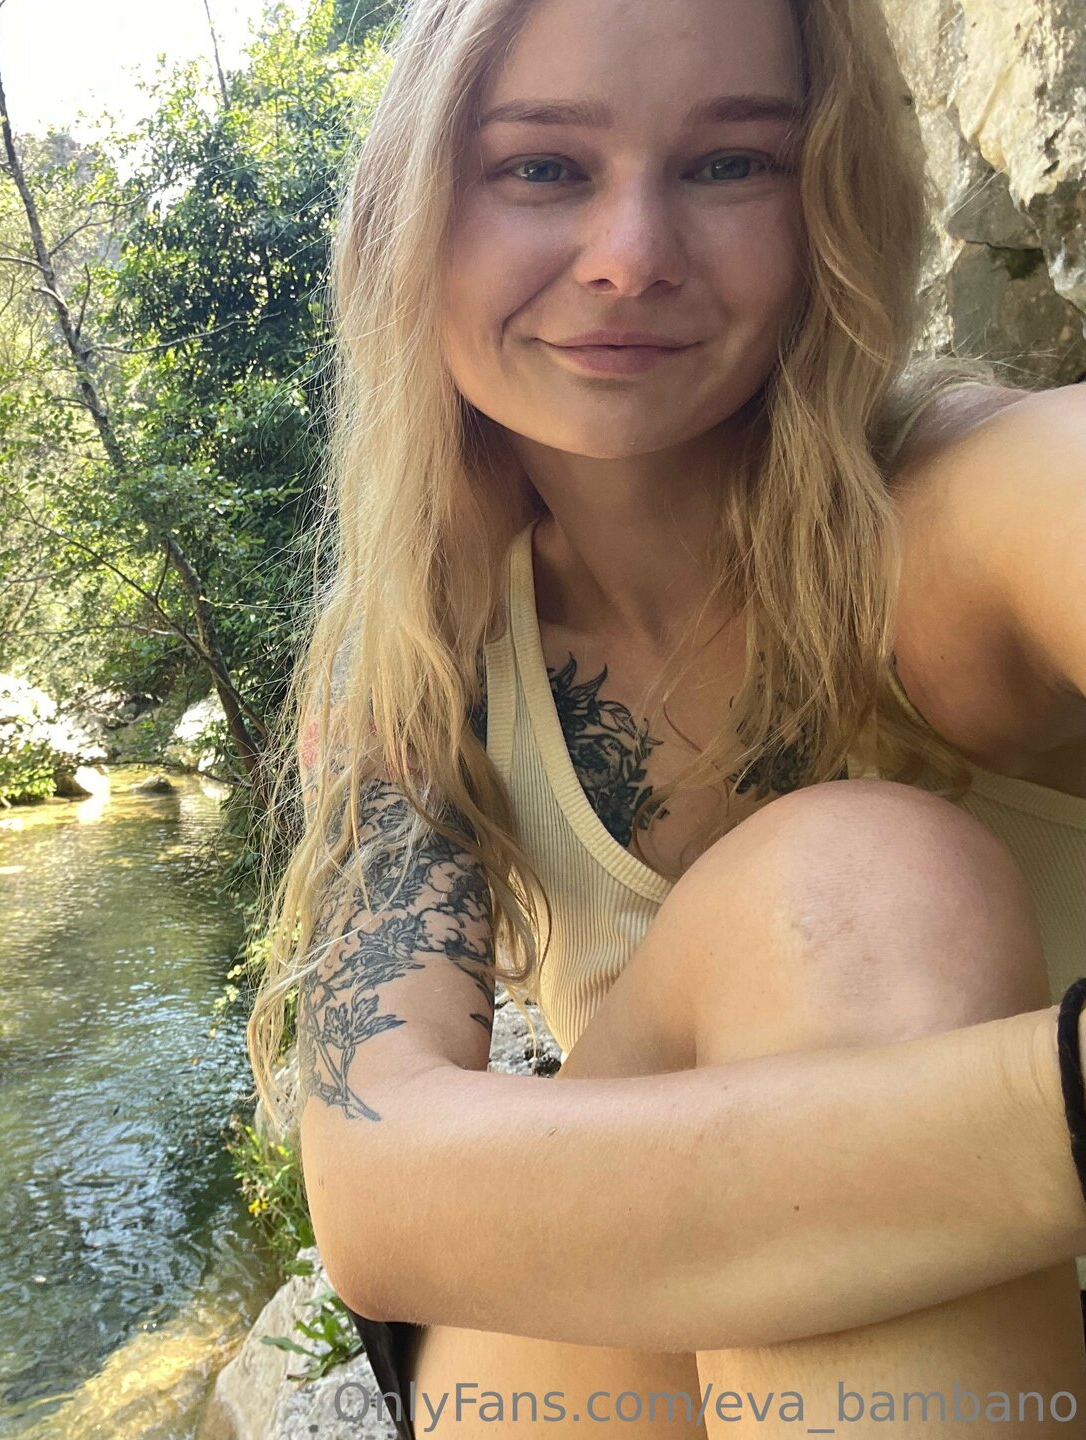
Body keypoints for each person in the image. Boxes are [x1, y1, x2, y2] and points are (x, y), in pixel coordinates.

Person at [243, 0, 1086, 1435]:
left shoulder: (975, 509)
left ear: (827, 205)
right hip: (577, 1364)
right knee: (849, 878)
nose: (631, 255)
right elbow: (380, 1199)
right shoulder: (417, 664)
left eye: (731, 164)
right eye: (542, 167)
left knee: (849, 882)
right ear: (408, 220)